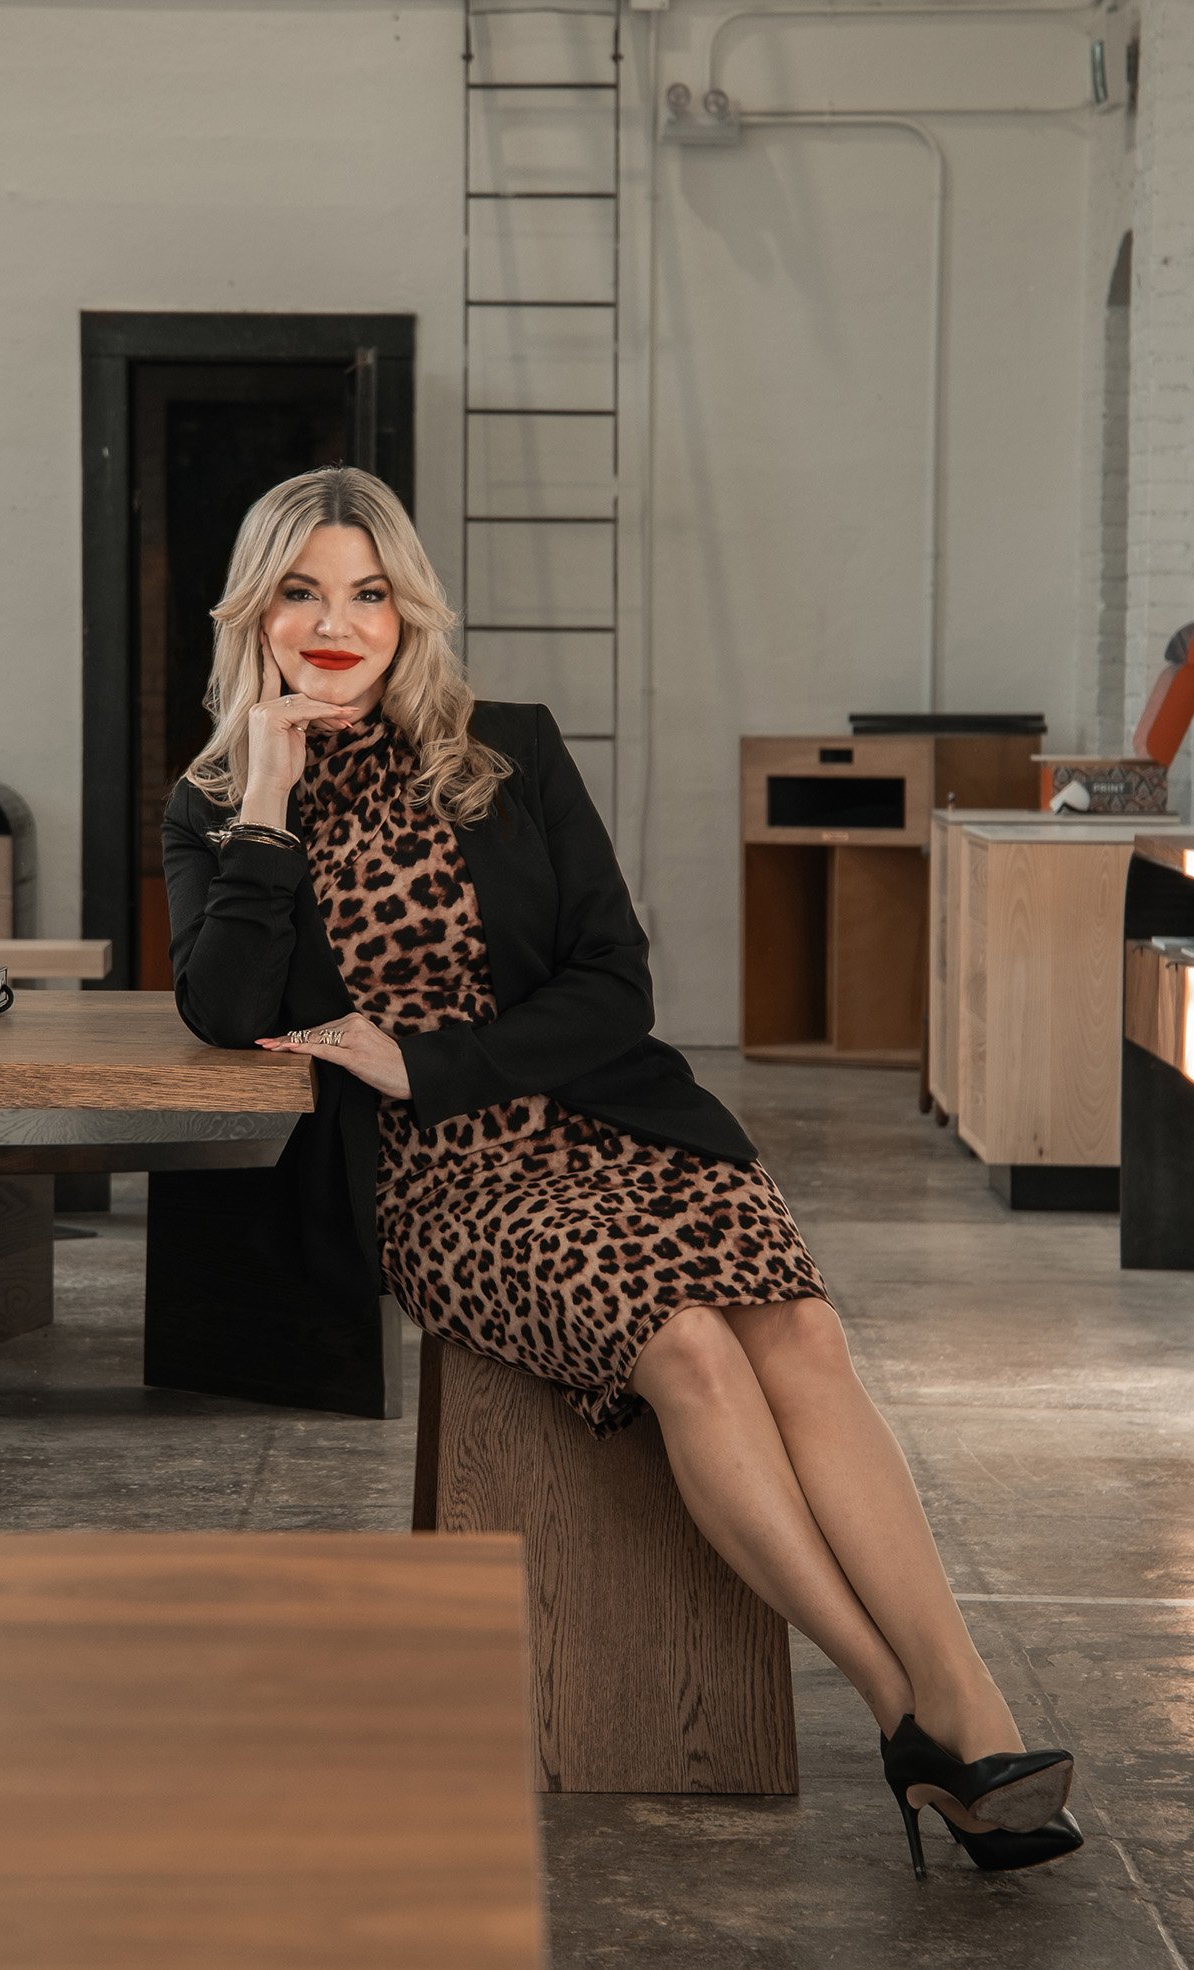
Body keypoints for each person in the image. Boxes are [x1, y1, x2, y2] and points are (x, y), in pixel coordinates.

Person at [162, 465, 1081, 1879]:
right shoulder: (219, 800)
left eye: (367, 592)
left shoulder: (508, 747)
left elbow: (617, 980)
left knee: (801, 1334)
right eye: (301, 592)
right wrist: (274, 802)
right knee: (693, 1354)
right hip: (448, 1182)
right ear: (258, 611)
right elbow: (223, 1006)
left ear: (409, 610)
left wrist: (432, 1051)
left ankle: (970, 1702)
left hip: (620, 1123)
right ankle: (899, 1705)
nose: (336, 623)